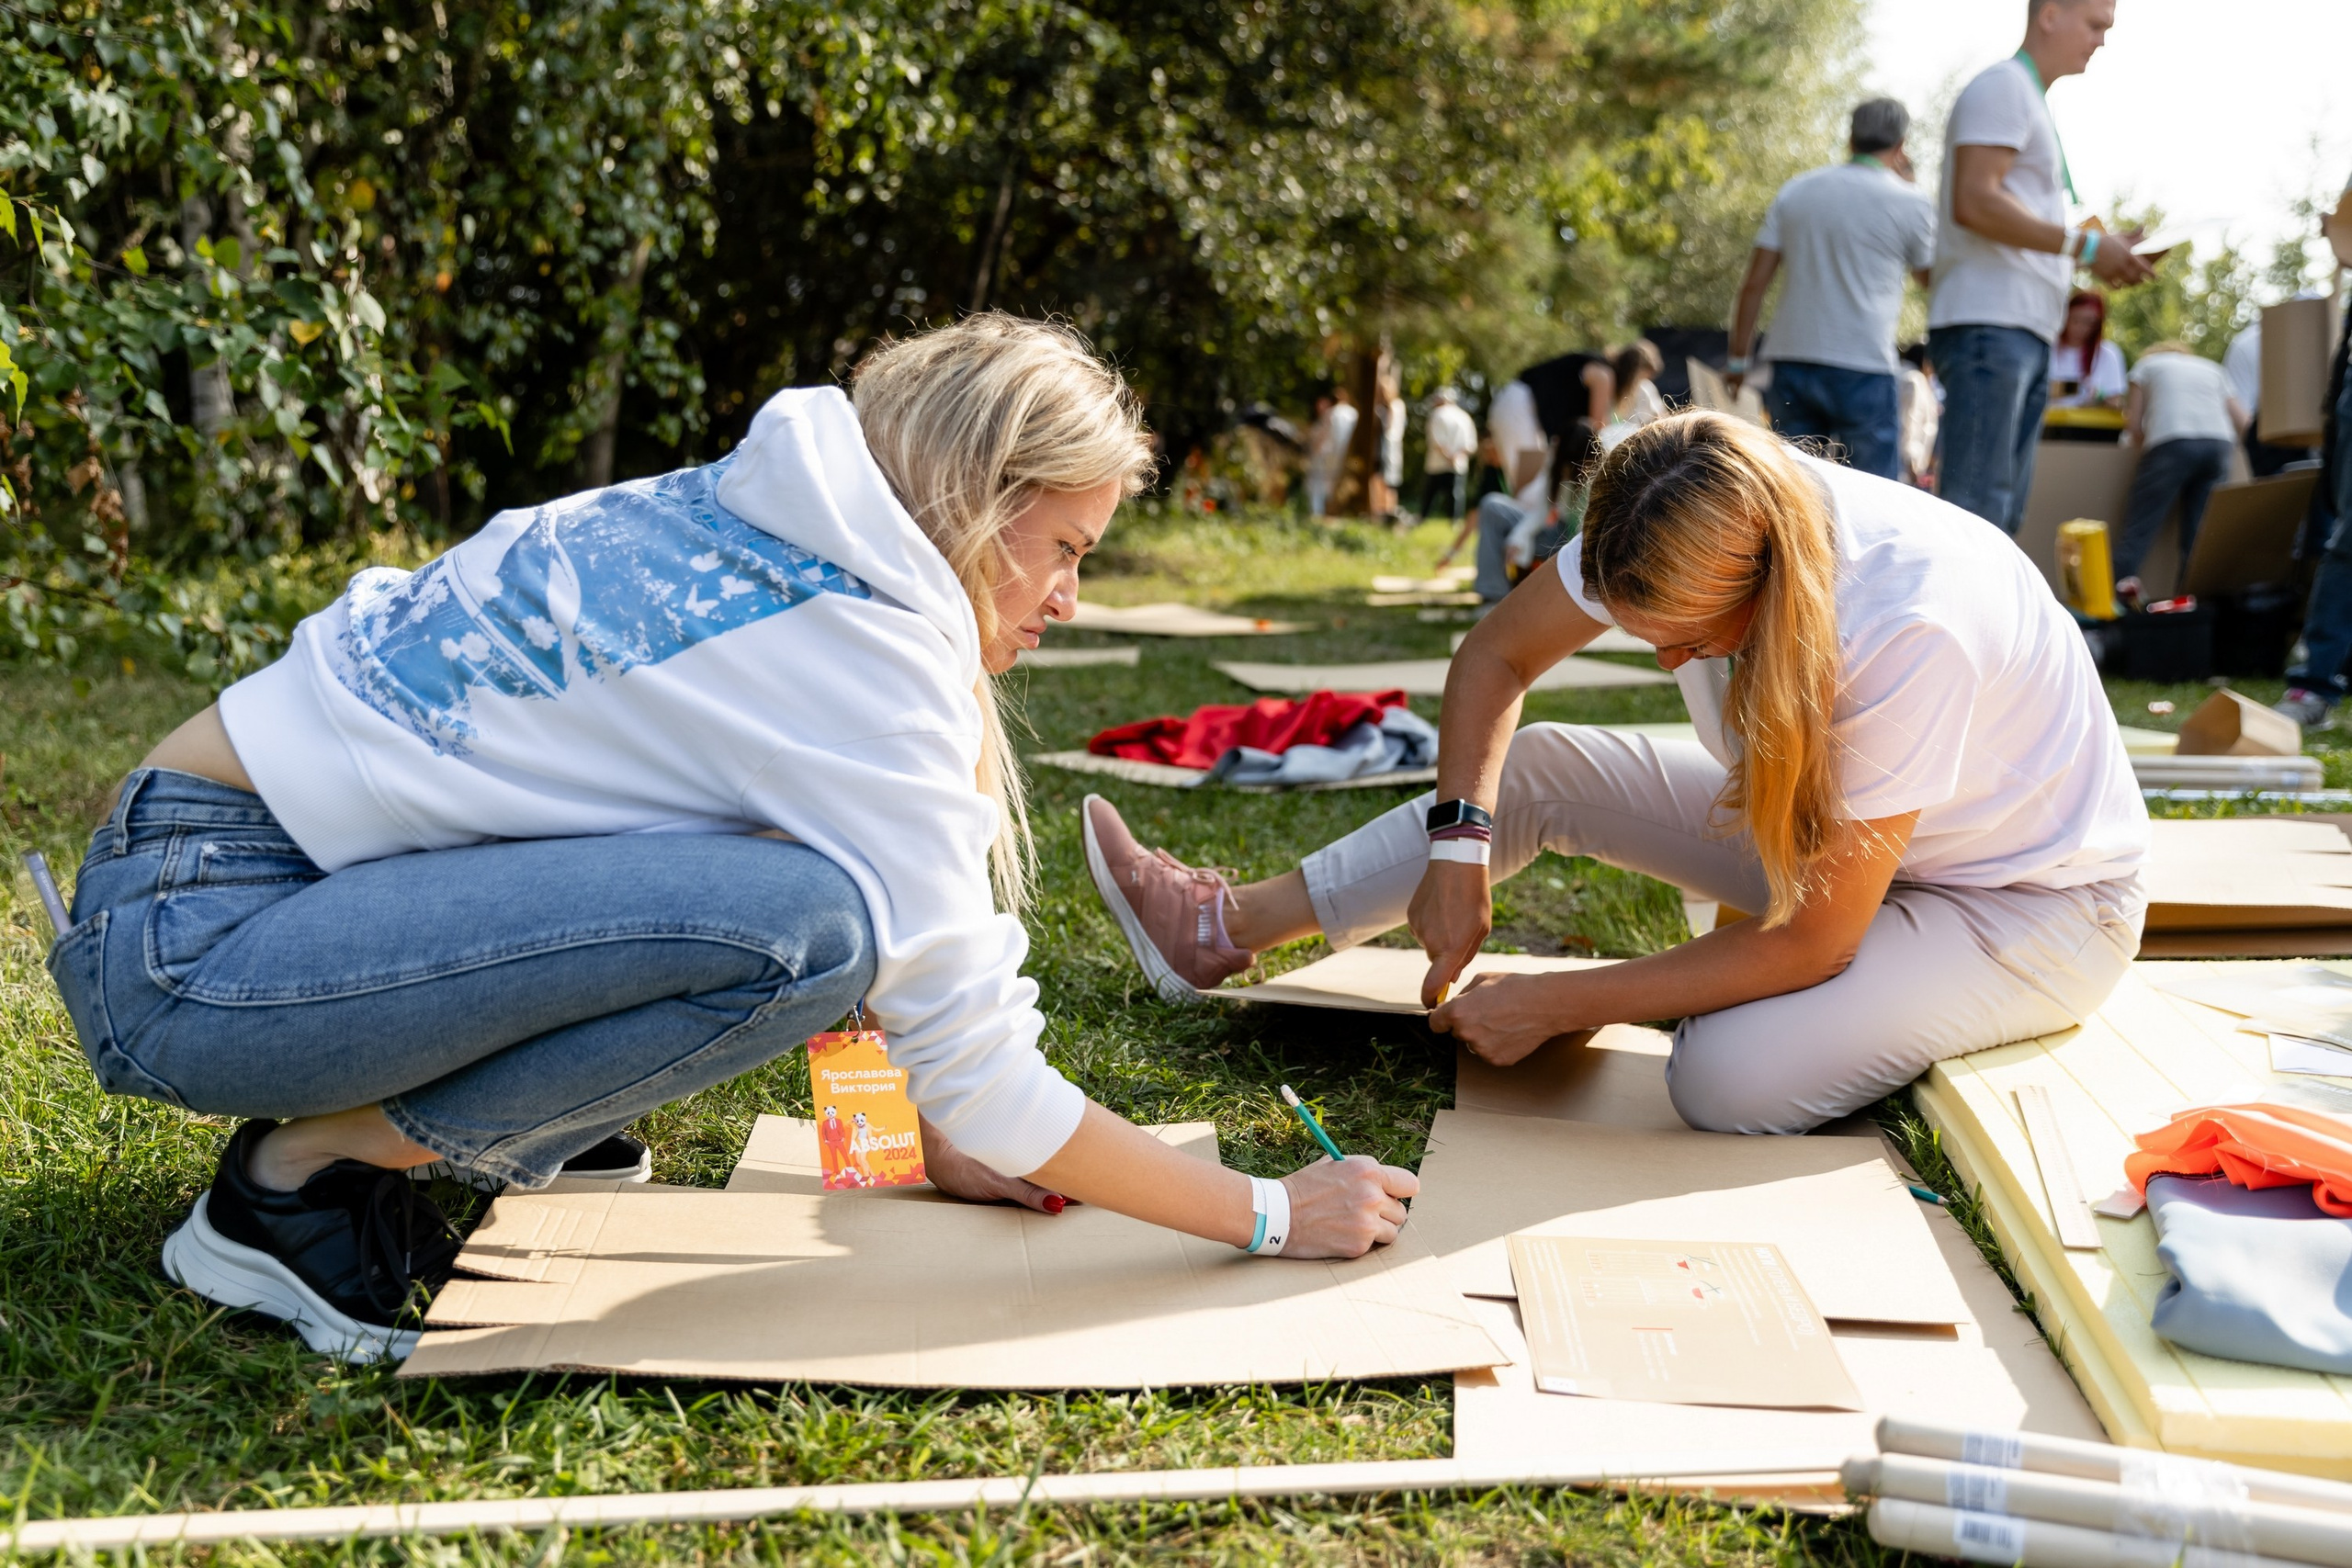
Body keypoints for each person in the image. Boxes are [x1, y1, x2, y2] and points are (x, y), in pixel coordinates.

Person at [46, 314, 1416, 1361]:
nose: (1066, 595)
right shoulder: (863, 651)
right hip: (197, 956)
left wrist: (932, 1120)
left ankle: (515, 1123)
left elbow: (771, 812)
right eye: (1063, 546)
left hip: (186, 891)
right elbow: (981, 1061)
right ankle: (300, 1180)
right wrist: (1270, 1212)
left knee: (811, 899)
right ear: (977, 501)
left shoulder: (768, 520)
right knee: (812, 930)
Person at [1084, 412, 2146, 1135]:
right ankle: (1216, 930)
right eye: (1646, 636)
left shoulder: (1911, 620)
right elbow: (1495, 656)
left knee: (1725, 1080)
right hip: (1845, 848)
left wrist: (1567, 1000)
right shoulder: (1672, 511)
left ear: (1766, 586)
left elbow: (1818, 937)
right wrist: (1457, 849)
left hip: (2022, 907)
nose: (1672, 663)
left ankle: (1766, 1006)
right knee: (1535, 769)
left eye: (1693, 640)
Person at [1928, 0, 2152, 534]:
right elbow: (1975, 202)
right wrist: (2090, 249)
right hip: (1992, 325)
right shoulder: (2004, 87)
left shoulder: (2024, 96)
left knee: (1999, 517)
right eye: (2095, 25)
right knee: (1978, 514)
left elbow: (2016, 217)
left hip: (2017, 330)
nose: (2101, 40)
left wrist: (2100, 248)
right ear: (2049, 13)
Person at [1726, 97, 1936, 479]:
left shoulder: (1797, 191)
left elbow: (1754, 285)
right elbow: (1932, 282)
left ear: (1851, 138)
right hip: (1865, 362)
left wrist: (1738, 361)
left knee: (1795, 494)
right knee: (1873, 495)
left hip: (1793, 358)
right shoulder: (1911, 201)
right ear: (1901, 144)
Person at [2111, 342, 2247, 601]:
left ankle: (2113, 610)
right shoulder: (2212, 369)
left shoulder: (2146, 366)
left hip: (2171, 442)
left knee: (2139, 530)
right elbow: (2243, 422)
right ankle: (2193, 611)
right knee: (2198, 538)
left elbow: (2134, 425)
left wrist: (2150, 457)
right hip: (2219, 446)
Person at [2048, 290, 2126, 409]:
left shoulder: (2109, 353)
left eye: (2089, 322)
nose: (2080, 327)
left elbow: (2114, 401)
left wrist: (2098, 399)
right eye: (2075, 320)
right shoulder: (2048, 347)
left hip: (2088, 424)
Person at [1419, 387, 1478, 525]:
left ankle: (1422, 519)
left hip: (1437, 464)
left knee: (1429, 494)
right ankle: (1455, 523)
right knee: (1455, 495)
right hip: (1458, 464)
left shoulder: (1437, 414)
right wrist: (1456, 457)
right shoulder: (1465, 417)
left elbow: (1436, 441)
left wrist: (1448, 457)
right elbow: (1471, 444)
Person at [1305, 390, 1357, 518]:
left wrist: (1314, 452)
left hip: (1326, 454)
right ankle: (1330, 512)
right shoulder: (1353, 413)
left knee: (1318, 483)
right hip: (1342, 455)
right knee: (1332, 484)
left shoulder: (1331, 413)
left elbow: (1324, 435)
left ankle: (1318, 513)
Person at [1896, 343, 1941, 489]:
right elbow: (1910, 420)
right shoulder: (1914, 380)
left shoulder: (1901, 374)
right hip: (1904, 462)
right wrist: (1912, 461)